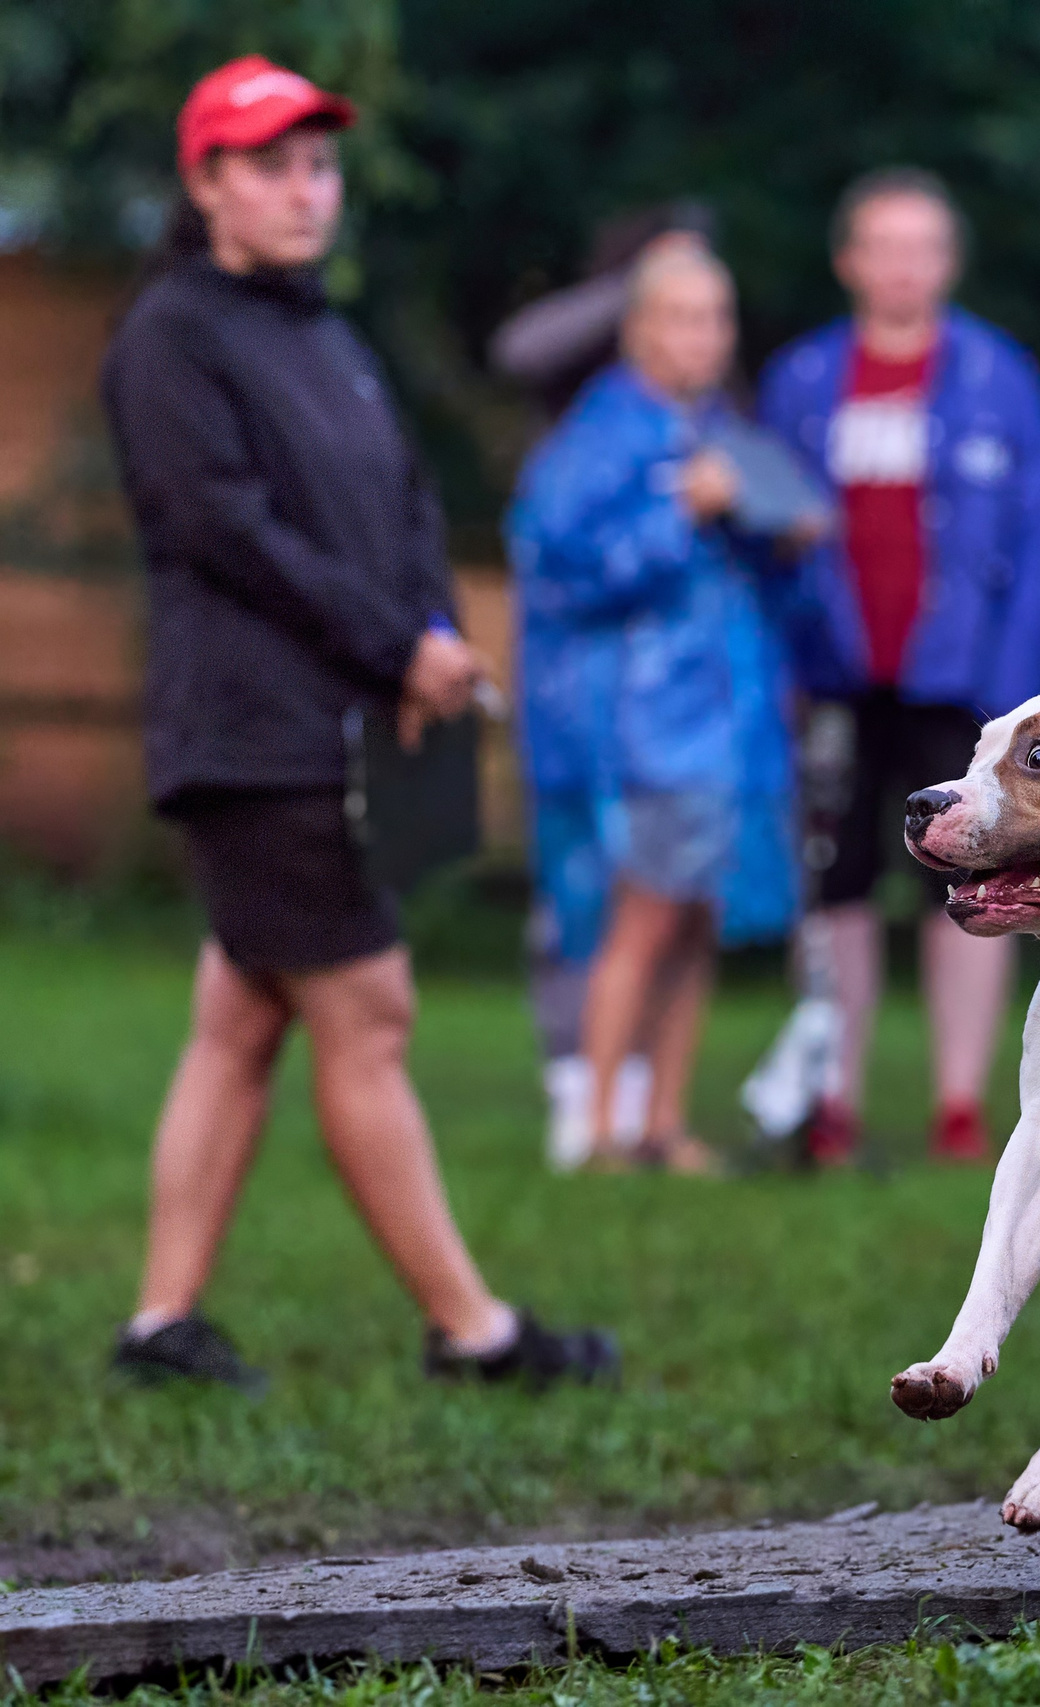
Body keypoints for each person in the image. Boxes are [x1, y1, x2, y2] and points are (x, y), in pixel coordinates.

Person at [98, 56, 617, 1391]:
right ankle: (473, 1331)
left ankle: (160, 1327)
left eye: (320, 165)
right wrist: (395, 645)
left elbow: (397, 511)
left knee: (241, 1020)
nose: (305, 189)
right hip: (254, 736)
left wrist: (430, 637)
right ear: (205, 181)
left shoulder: (320, 331)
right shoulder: (173, 334)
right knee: (369, 1011)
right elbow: (223, 528)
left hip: (335, 721)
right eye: (270, 165)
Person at [757, 167, 1040, 1166]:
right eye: (883, 247)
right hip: (836, 671)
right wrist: (780, 668)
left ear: (949, 263)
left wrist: (1017, 693)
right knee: (837, 884)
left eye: (922, 248)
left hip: (961, 679)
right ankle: (833, 1097)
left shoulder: (998, 377)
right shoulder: (803, 380)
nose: (902, 268)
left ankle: (959, 1103)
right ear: (848, 261)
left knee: (972, 877)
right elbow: (765, 537)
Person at [490, 211, 800, 1172]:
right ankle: (597, 1128)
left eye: (717, 318)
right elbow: (558, 571)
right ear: (636, 328)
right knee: (644, 915)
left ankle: (661, 1123)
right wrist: (681, 517)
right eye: (682, 317)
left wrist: (778, 533)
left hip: (725, 723)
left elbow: (762, 566)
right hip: (644, 725)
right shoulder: (596, 436)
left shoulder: (720, 432)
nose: (703, 338)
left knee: (697, 917)